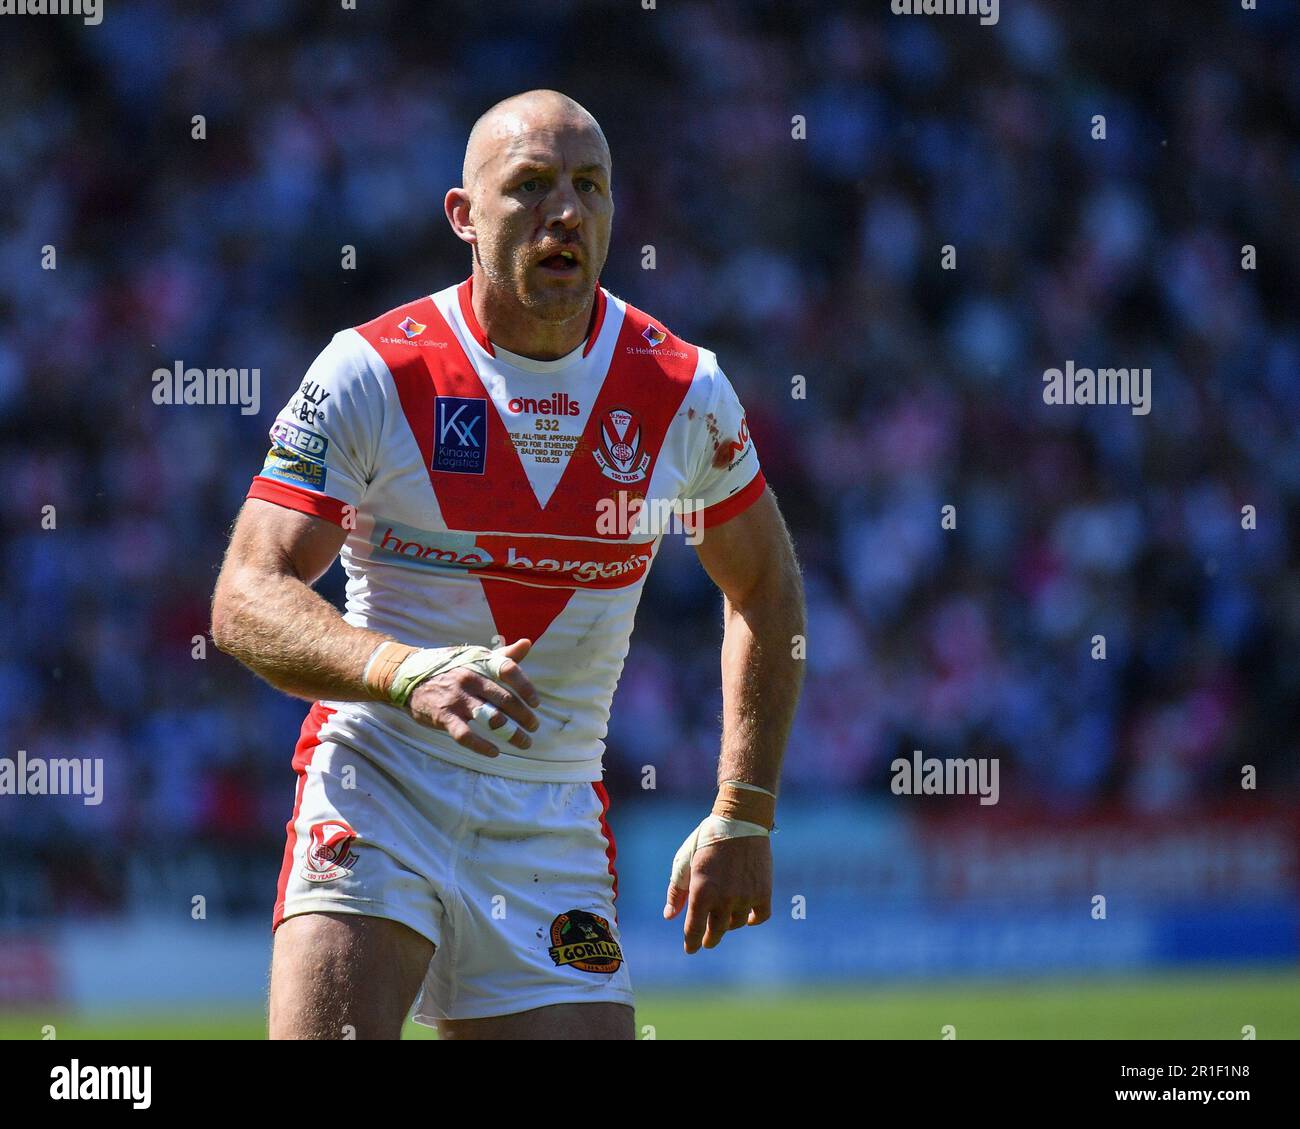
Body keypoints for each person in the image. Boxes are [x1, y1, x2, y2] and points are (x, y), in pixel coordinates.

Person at [211, 89, 805, 1040]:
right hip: (380, 783)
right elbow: (244, 596)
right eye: (529, 186)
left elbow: (767, 587)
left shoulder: (684, 389)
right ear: (463, 215)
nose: (564, 211)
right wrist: (405, 672)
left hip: (552, 818)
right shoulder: (371, 370)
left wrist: (745, 807)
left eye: (589, 187)